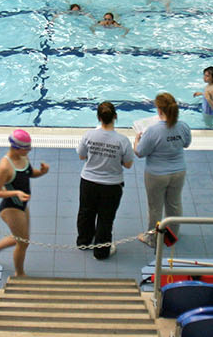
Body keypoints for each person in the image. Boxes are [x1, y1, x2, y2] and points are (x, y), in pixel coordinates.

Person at [0, 129, 49, 276]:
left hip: (22, 205)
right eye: (26, 147)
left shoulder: (23, 157)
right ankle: (19, 274)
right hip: (11, 208)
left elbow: (29, 173)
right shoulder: (4, 167)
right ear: (15, 147)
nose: (30, 150)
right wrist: (16, 193)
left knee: (20, 237)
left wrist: (42, 172)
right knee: (23, 243)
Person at [76, 102, 134, 260]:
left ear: (99, 118)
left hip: (88, 182)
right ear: (115, 117)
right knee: (105, 218)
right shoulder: (123, 141)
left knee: (86, 212)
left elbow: (81, 156)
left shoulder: (88, 135)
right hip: (112, 186)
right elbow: (128, 164)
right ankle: (101, 252)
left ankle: (84, 242)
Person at [134, 92, 191, 245]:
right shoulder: (183, 126)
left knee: (155, 208)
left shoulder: (153, 131)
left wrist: (136, 140)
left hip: (156, 175)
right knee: (174, 204)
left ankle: (152, 238)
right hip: (178, 172)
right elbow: (186, 144)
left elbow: (139, 152)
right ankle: (172, 235)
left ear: (159, 110)